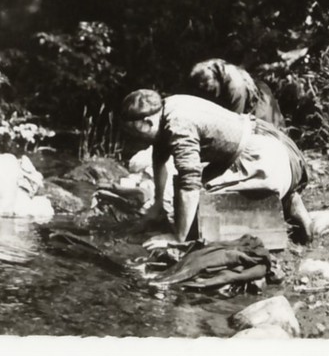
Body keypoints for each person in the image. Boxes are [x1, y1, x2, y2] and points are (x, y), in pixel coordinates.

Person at [119, 89, 313, 247]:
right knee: (183, 203)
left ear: (147, 122)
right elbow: (159, 157)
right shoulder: (168, 106)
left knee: (203, 211)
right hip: (256, 146)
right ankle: (285, 196)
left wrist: (178, 238)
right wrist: (158, 204)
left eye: (134, 132)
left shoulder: (179, 125)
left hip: (264, 159)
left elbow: (189, 183)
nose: (135, 139)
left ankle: (286, 202)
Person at [188, 58, 286, 128]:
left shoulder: (235, 87)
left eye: (211, 91)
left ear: (214, 80)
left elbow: (234, 124)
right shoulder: (211, 68)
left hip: (260, 111)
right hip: (248, 101)